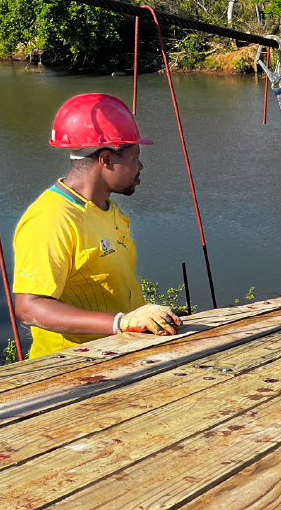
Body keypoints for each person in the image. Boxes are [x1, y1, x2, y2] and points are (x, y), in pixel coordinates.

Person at [13, 93, 180, 359]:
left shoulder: (108, 209)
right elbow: (29, 308)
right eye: (134, 157)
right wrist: (120, 323)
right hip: (71, 369)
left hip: (118, 357)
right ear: (106, 159)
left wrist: (133, 323)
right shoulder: (51, 219)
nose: (140, 166)